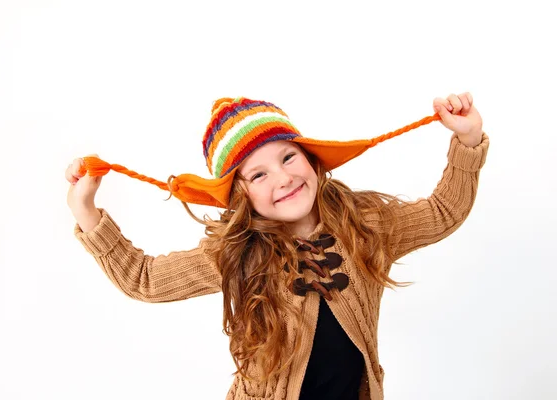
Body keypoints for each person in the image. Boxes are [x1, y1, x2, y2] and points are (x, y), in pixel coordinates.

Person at [65, 93, 489, 400]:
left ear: (310, 160)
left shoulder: (365, 228)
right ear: (241, 196)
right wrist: (86, 210)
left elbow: (443, 211)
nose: (283, 178)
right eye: (259, 175)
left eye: (288, 158)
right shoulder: (237, 254)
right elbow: (145, 280)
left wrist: (468, 140)